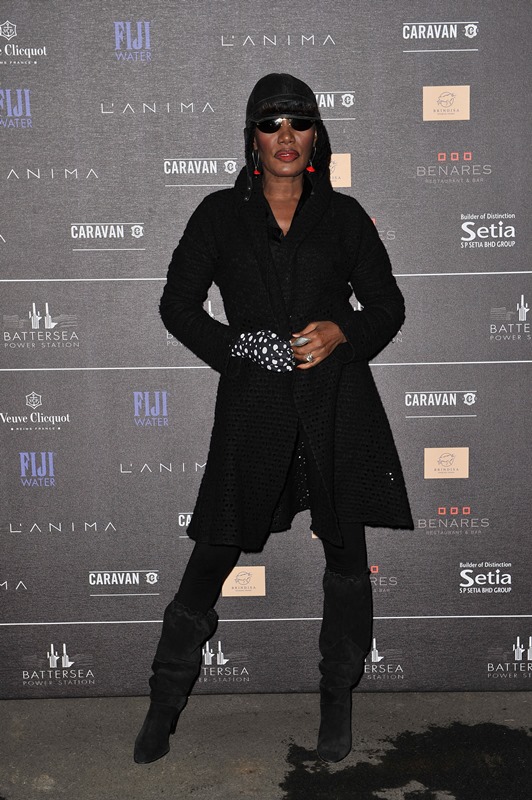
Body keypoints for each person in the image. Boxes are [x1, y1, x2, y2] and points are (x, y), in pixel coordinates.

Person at [134, 73, 413, 766]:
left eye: (299, 122)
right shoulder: (218, 215)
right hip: (254, 409)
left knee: (345, 555)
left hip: (335, 408)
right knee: (213, 552)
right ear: (252, 138)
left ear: (317, 135)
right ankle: (164, 702)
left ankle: (337, 706)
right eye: (270, 123)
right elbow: (177, 304)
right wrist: (237, 347)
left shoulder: (344, 217)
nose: (285, 136)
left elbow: (387, 306)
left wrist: (344, 331)